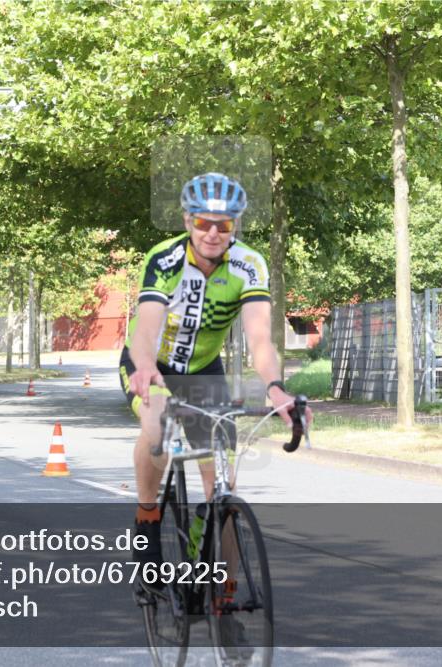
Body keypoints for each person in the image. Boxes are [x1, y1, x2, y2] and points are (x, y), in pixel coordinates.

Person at [119, 172, 313, 574]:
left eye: (222, 225)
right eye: (203, 222)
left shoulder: (248, 264)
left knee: (222, 487)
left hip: (204, 370)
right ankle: (147, 518)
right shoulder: (164, 259)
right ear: (188, 221)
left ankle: (221, 593)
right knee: (155, 430)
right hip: (153, 365)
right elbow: (148, 328)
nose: (212, 232)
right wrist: (144, 369)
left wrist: (276, 389)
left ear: (234, 226)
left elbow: (260, 339)